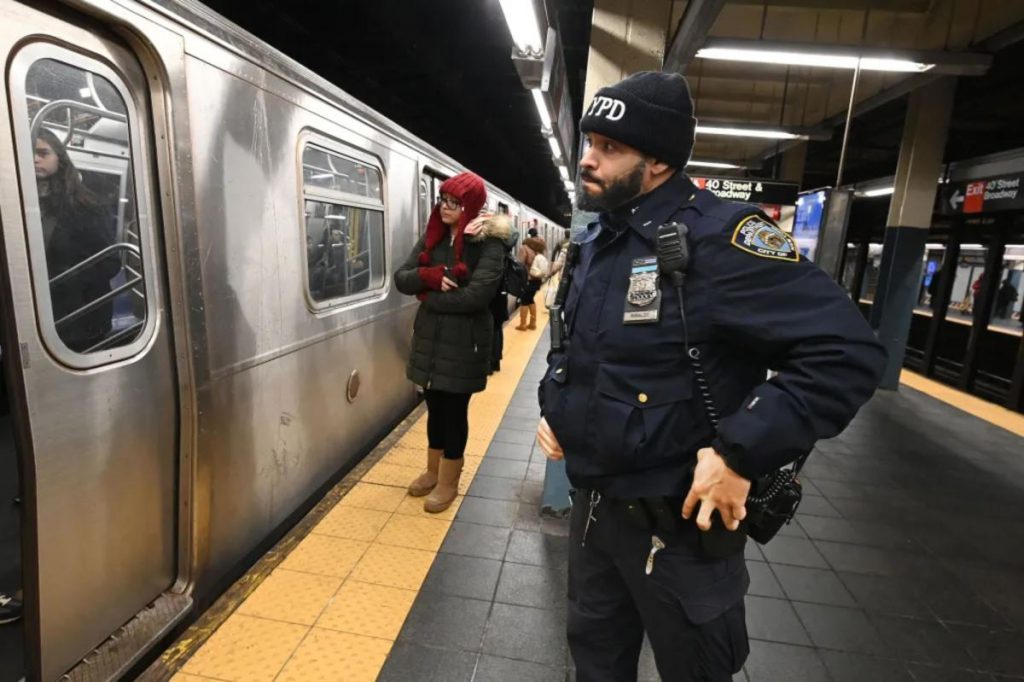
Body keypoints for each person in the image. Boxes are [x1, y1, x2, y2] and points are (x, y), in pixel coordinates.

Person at [535, 71, 886, 681]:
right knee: (594, 666)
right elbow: (586, 353)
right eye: (590, 142)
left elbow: (847, 351)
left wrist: (740, 453)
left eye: (610, 147)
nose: (588, 159)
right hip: (596, 515)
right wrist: (557, 405)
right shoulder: (601, 241)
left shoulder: (721, 240)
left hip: (681, 533)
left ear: (658, 161)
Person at [394, 172, 509, 513]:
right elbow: (402, 278)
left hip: (465, 344)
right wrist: (427, 276)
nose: (445, 207)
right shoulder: (433, 237)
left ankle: (448, 481)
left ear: (469, 205)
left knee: (454, 412)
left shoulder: (489, 243)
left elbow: (477, 296)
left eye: (454, 202)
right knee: (434, 407)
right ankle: (432, 471)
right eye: (443, 200)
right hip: (430, 342)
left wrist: (426, 297)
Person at [34, 128, 118, 352]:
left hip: (81, 317)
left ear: (59, 158)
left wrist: (60, 279)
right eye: (29, 153)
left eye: (43, 153)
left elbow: (110, 262)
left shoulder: (86, 205)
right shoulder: (25, 205)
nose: (35, 159)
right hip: (41, 314)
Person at [515, 236, 547, 330]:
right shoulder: (537, 251)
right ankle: (532, 323)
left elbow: (520, 264)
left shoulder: (524, 248)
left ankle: (523, 324)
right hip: (537, 280)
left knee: (524, 301)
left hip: (528, 279)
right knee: (530, 300)